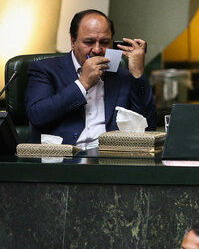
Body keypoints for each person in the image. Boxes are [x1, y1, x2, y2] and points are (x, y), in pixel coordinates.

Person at [25, 9, 156, 148]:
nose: (97, 50)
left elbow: (148, 126)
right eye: (89, 42)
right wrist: (83, 84)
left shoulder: (122, 75)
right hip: (63, 159)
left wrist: (137, 73)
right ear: (73, 41)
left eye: (105, 42)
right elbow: (37, 116)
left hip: (109, 158)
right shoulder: (45, 69)